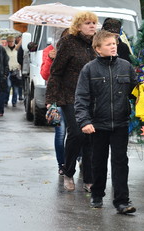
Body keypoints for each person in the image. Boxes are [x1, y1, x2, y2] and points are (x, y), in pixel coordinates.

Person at [75, 30, 138, 214]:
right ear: (97, 49)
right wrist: (84, 121)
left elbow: (136, 92)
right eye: (109, 44)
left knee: (120, 162)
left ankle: (121, 201)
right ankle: (97, 193)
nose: (113, 46)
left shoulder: (126, 66)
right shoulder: (89, 69)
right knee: (98, 161)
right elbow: (81, 97)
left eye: (114, 43)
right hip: (97, 124)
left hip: (120, 123)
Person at [45, 11, 97, 191]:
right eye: (88, 23)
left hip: (92, 98)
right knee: (77, 133)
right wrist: (51, 99)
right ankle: (68, 171)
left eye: (94, 23)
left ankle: (89, 179)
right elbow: (56, 71)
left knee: (91, 137)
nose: (92, 26)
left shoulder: (96, 44)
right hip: (70, 96)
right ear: (78, 26)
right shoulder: (68, 42)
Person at [41, 28, 69, 176]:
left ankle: (79, 157)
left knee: (77, 132)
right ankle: (62, 164)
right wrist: (50, 59)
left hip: (74, 98)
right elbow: (45, 75)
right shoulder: (49, 50)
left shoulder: (78, 49)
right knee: (60, 132)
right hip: (56, 98)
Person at [4, 35, 21, 107]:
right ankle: (6, 100)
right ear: (7, 42)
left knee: (15, 87)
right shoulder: (4, 49)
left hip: (16, 70)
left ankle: (14, 101)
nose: (11, 43)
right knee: (8, 86)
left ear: (14, 41)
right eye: (9, 41)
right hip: (8, 70)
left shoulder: (18, 48)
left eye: (12, 41)